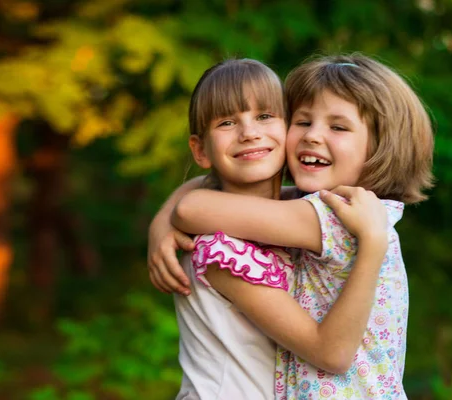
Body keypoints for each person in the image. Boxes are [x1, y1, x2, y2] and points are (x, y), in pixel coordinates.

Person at [150, 54, 434, 399]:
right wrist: (165, 220)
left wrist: (168, 216)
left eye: (338, 127)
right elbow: (198, 206)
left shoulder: (334, 215)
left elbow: (192, 209)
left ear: (379, 148)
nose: (313, 136)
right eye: (303, 122)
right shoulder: (326, 209)